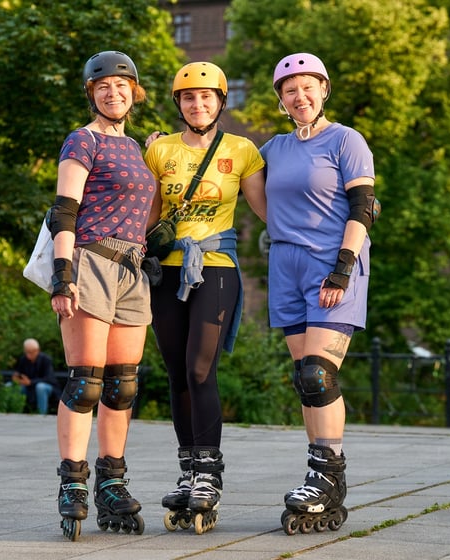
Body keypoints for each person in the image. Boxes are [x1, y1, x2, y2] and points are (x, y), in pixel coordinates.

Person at [143, 61, 267, 534]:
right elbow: (148, 215)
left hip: (216, 268)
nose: (199, 104)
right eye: (190, 98)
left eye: (207, 97)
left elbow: (268, 210)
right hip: (167, 269)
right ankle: (188, 469)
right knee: (176, 373)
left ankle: (209, 474)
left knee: (200, 368)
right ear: (179, 104)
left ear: (220, 101)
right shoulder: (160, 151)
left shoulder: (242, 150)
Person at [259, 53, 377, 535]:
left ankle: (331, 475)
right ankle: (316, 474)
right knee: (302, 379)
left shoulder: (346, 140)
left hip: (333, 264)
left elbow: (364, 206)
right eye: (290, 90)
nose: (299, 97)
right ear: (281, 100)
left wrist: (343, 268)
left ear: (324, 89)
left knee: (318, 374)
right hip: (285, 265)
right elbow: (223, 171)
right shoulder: (273, 148)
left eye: (308, 87)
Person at [50, 50, 155, 541]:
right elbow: (64, 209)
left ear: (134, 91)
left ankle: (113, 481)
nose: (113, 93)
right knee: (86, 382)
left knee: (123, 385)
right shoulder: (82, 139)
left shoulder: (136, 147)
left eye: (122, 85)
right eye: (103, 87)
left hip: (132, 269)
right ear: (91, 93)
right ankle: (73, 485)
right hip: (89, 261)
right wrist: (62, 273)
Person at [11, 338, 59, 415]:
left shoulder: (45, 360)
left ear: (37, 350)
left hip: (47, 388)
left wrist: (31, 382)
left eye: (31, 352)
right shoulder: (23, 359)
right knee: (11, 386)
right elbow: (18, 373)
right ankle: (15, 412)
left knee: (40, 387)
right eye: (26, 352)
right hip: (29, 388)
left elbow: (48, 378)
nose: (28, 355)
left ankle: (41, 414)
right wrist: (16, 379)